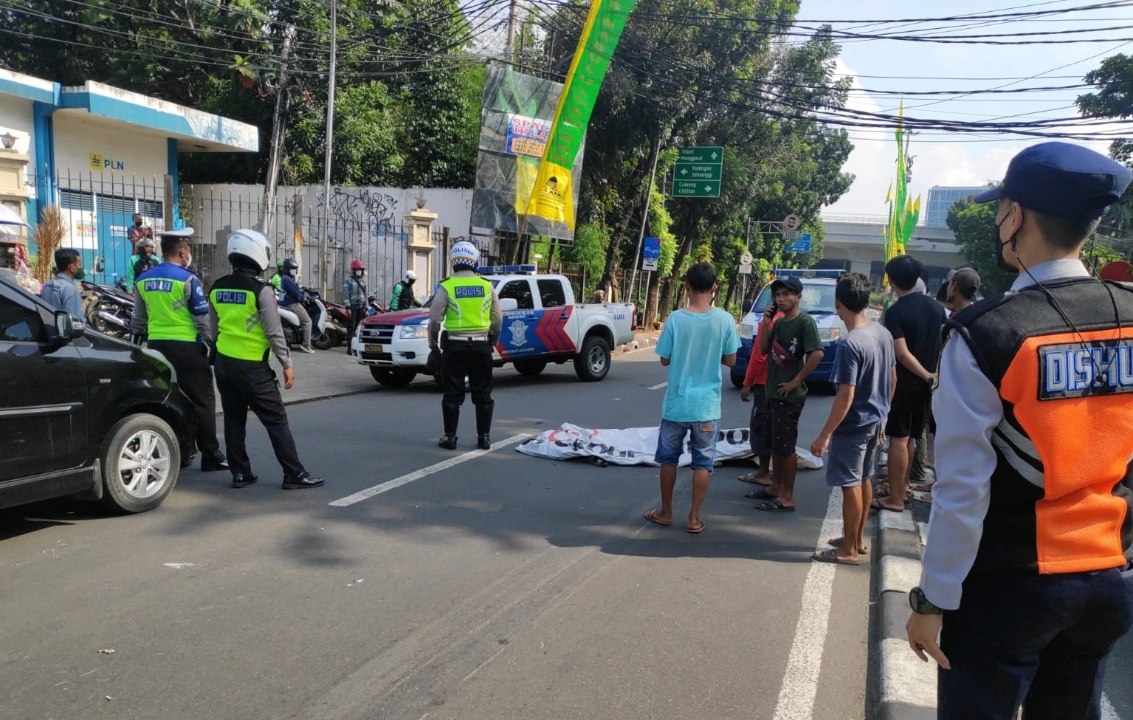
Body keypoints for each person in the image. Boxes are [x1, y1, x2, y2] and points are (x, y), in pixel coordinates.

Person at [905, 142, 1133, 720]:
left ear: (1015, 216)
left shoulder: (986, 333)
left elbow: (962, 489)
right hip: (1109, 577)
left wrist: (933, 599)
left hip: (1011, 587)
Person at [209, 229, 323, 490]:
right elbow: (274, 332)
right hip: (253, 369)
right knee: (276, 420)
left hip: (224, 364)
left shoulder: (217, 287)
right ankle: (294, 473)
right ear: (257, 254)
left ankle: (240, 473)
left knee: (233, 420)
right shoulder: (261, 291)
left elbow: (214, 331)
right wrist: (287, 364)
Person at [644, 262, 740, 534]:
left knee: (668, 460)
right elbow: (731, 360)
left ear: (686, 286)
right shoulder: (725, 320)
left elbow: (664, 359)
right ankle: (694, 518)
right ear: (715, 288)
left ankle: (665, 512)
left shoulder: (675, 319)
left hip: (676, 406)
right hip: (707, 408)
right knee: (703, 463)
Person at [808, 273, 896, 565]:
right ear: (867, 301)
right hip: (876, 418)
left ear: (838, 304)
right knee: (864, 477)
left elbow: (846, 395)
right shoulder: (881, 333)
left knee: (850, 483)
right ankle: (855, 539)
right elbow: (893, 378)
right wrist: (884, 412)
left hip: (855, 423)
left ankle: (848, 551)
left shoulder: (849, 344)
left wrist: (824, 435)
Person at [130, 228, 228, 473]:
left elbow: (138, 321)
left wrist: (135, 348)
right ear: (183, 251)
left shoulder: (143, 279)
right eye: (188, 249)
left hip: (156, 348)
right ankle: (211, 455)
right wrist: (212, 345)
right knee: (202, 401)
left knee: (168, 400)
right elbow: (201, 318)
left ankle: (180, 453)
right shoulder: (188, 279)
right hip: (187, 349)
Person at [875, 255, 946, 512]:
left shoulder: (896, 312)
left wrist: (924, 374)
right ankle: (903, 487)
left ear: (891, 281)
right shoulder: (937, 308)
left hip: (905, 383)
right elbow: (945, 343)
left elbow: (902, 354)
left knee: (898, 439)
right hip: (928, 385)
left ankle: (895, 498)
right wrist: (932, 375)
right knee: (913, 439)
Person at [754, 275, 824, 512]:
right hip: (772, 392)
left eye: (786, 294)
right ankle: (775, 487)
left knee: (786, 448)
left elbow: (817, 353)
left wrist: (796, 381)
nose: (781, 299)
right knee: (775, 445)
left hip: (789, 396)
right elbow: (763, 349)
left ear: (798, 296)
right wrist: (766, 322)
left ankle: (787, 496)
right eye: (777, 295)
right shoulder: (779, 323)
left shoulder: (805, 323)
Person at [428, 241, 502, 450]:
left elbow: (434, 320)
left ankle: (450, 438)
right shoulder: (486, 285)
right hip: (481, 347)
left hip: (454, 348)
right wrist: (493, 341)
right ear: (475, 261)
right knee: (483, 393)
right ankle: (484, 438)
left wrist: (433, 346)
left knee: (452, 393)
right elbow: (498, 319)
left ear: (453, 262)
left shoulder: (447, 286)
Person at [737, 304, 783, 488]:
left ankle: (763, 472)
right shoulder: (795, 321)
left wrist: (747, 383)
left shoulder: (768, 323)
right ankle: (778, 476)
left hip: (765, 383)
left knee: (762, 427)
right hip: (785, 385)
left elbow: (759, 355)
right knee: (779, 429)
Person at [278, 258, 314, 354]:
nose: (294, 270)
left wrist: (302, 294)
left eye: (294, 268)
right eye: (292, 268)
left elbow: (296, 289)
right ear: (287, 269)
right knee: (307, 322)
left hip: (285, 303)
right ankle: (306, 344)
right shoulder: (287, 279)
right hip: (291, 304)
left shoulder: (288, 278)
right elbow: (296, 294)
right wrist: (303, 298)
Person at [41, 248, 85, 319]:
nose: (80, 268)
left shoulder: (47, 285)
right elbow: (74, 318)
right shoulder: (70, 289)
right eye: (79, 265)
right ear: (71, 267)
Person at [343, 259, 367, 350]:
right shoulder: (348, 281)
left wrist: (366, 308)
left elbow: (365, 295)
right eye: (357, 269)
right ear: (353, 270)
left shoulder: (362, 282)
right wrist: (348, 307)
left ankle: (357, 347)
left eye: (360, 270)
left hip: (361, 307)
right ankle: (350, 347)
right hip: (352, 307)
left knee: (359, 328)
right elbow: (346, 295)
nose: (359, 271)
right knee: (351, 328)